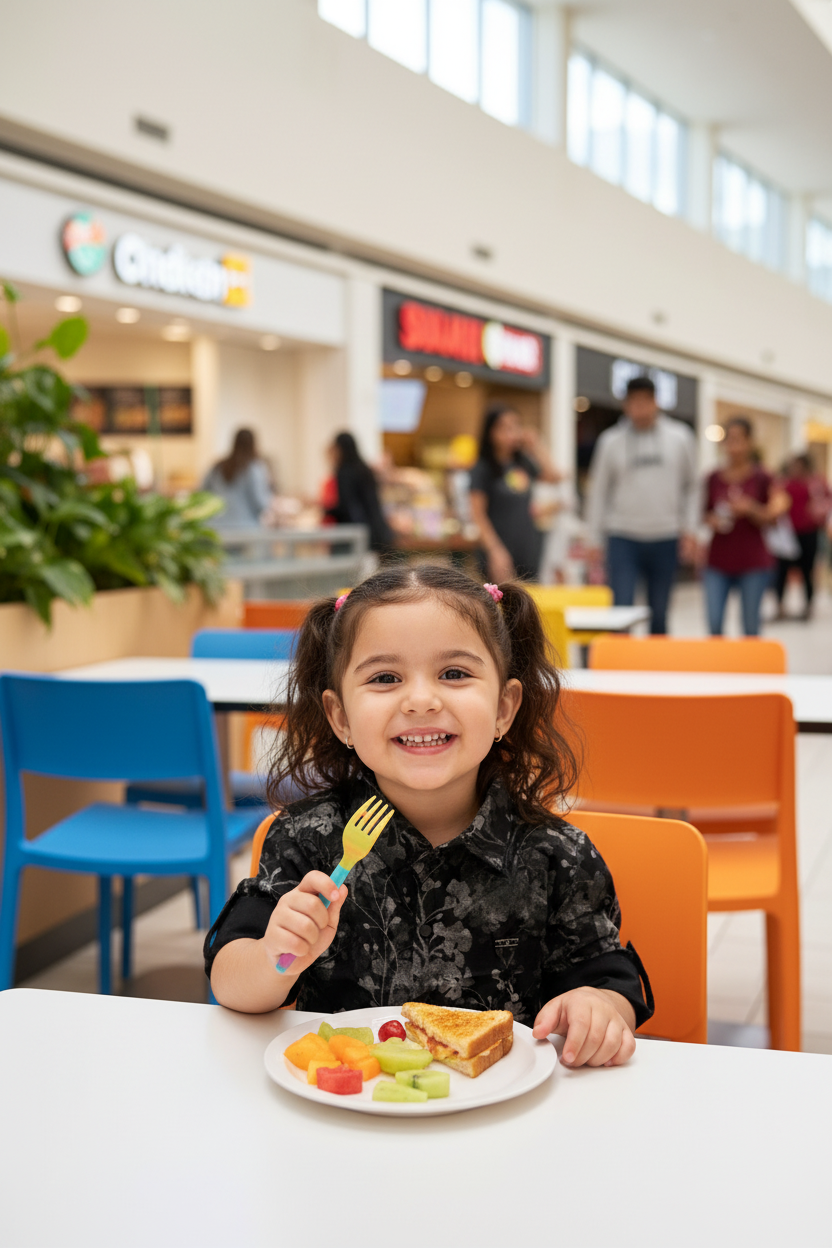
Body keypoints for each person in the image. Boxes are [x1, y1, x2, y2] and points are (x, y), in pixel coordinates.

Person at [205, 564, 653, 1069]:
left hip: (500, 1111)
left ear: (504, 708)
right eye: (385, 677)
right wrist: (274, 957)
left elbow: (610, 981)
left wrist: (598, 1007)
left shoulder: (558, 855)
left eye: (455, 673)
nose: (421, 700)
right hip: (348, 1107)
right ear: (341, 717)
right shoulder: (305, 840)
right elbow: (230, 982)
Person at [585, 376, 698, 634]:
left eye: (644, 402)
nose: (639, 409)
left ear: (655, 402)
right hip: (622, 536)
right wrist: (592, 539)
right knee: (620, 613)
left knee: (660, 613)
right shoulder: (610, 440)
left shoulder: (680, 437)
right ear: (626, 405)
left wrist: (691, 530)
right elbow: (599, 491)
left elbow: (692, 487)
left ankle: (656, 670)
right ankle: (618, 671)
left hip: (666, 535)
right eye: (633, 403)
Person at [703, 416, 788, 636]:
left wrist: (750, 509)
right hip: (718, 559)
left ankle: (749, 669)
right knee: (714, 623)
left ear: (750, 442)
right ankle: (717, 668)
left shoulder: (763, 477)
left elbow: (777, 510)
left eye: (738, 440)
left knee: (750, 625)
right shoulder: (713, 477)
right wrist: (712, 519)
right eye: (729, 441)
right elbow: (704, 513)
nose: (733, 447)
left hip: (752, 560)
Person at [469, 405, 562, 583]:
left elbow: (554, 476)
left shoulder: (522, 463)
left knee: (527, 605)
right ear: (491, 432)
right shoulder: (482, 468)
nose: (511, 433)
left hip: (528, 548)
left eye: (516, 426)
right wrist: (495, 551)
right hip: (499, 552)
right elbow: (477, 515)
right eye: (505, 427)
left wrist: (536, 445)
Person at [773, 453, 829, 621]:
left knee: (807, 570)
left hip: (808, 533)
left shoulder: (815, 483)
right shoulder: (784, 484)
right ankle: (780, 606)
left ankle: (808, 606)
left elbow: (826, 502)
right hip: (787, 534)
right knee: (781, 571)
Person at [324, 431, 393, 556]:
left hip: (353, 533)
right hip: (374, 530)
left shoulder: (344, 471)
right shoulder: (364, 468)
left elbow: (345, 506)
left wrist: (326, 510)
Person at [202, 428, 274, 526]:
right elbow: (261, 503)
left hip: (217, 528)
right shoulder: (255, 468)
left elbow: (203, 494)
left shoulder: (217, 466)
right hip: (247, 530)